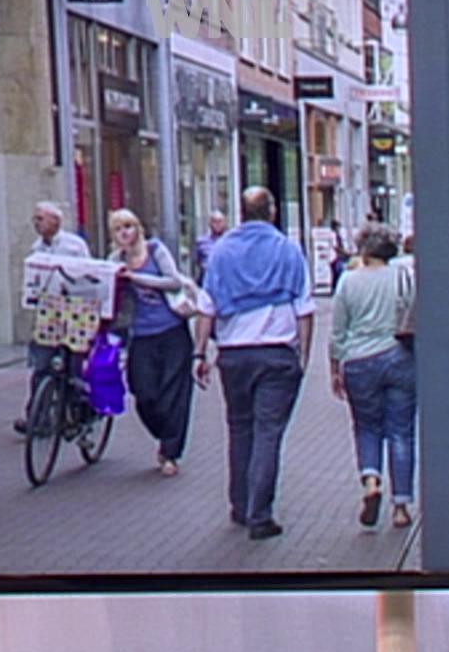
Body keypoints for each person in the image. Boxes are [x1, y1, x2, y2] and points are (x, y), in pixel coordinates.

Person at [190, 186, 315, 540]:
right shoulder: (288, 250)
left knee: (240, 428)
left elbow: (206, 307)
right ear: (271, 211)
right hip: (276, 354)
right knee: (268, 433)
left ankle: (240, 505)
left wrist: (199, 353)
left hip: (234, 355)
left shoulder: (222, 252)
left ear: (241, 213)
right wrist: (303, 355)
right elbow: (304, 309)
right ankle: (260, 516)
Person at [329, 223, 417, 528]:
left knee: (367, 427)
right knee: (401, 431)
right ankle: (401, 506)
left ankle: (371, 481)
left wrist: (334, 368)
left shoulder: (348, 281)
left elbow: (338, 331)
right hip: (399, 357)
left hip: (359, 361)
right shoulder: (403, 276)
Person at [106, 208, 195, 477]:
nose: (125, 233)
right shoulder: (115, 261)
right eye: (119, 229)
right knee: (143, 393)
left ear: (138, 228)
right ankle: (163, 434)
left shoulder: (155, 250)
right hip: (142, 334)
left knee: (174, 393)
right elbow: (107, 295)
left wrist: (136, 278)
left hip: (171, 329)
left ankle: (170, 452)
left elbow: (173, 281)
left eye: (129, 227)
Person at [15, 201, 94, 435]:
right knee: (41, 366)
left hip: (74, 312)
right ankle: (38, 419)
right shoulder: (36, 249)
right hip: (48, 312)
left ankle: (75, 415)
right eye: (35, 218)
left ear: (55, 221)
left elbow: (88, 276)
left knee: (73, 369)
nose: (36, 223)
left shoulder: (74, 246)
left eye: (40, 218)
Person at [191, 210, 228, 286]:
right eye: (215, 221)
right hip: (205, 281)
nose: (217, 224)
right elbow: (195, 263)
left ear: (224, 223)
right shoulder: (201, 242)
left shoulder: (230, 241)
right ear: (210, 223)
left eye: (220, 221)